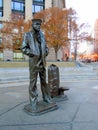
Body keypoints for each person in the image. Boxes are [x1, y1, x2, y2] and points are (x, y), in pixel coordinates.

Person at [21, 19, 52, 109]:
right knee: (33, 83)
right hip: (34, 62)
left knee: (44, 82)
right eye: (37, 24)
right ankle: (33, 101)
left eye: (39, 25)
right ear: (33, 25)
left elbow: (46, 47)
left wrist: (45, 52)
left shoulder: (42, 35)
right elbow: (23, 48)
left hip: (42, 61)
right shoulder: (27, 35)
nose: (39, 26)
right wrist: (33, 53)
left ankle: (46, 98)